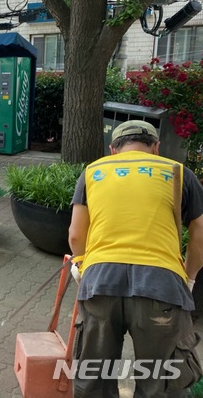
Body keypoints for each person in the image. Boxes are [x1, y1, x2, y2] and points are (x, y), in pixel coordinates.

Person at [68, 119, 203, 397]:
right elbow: (200, 232)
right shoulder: (179, 173)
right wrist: (189, 278)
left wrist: (80, 265)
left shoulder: (93, 172)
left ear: (113, 150)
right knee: (159, 381)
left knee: (94, 376)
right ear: (155, 148)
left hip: (100, 283)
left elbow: (74, 235)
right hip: (161, 285)